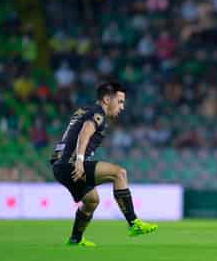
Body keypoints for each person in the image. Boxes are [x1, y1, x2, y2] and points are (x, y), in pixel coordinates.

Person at [50, 82, 158, 247]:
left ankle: (75, 239)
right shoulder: (98, 113)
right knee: (119, 173)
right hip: (71, 163)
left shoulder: (84, 110)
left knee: (91, 201)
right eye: (120, 101)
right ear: (107, 99)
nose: (122, 107)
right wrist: (79, 160)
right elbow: (85, 131)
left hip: (59, 164)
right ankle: (134, 223)